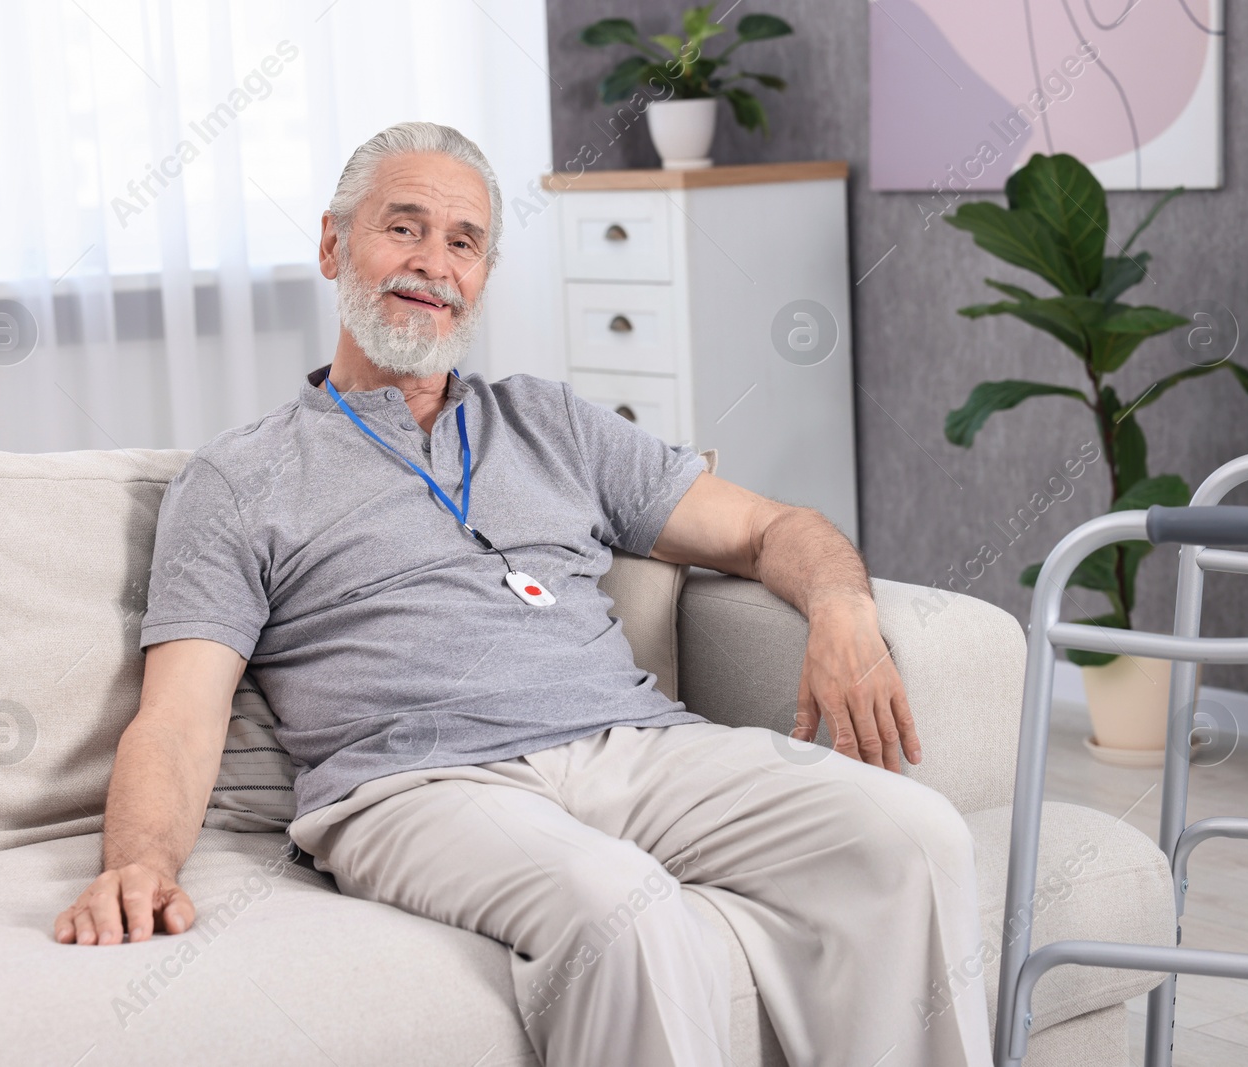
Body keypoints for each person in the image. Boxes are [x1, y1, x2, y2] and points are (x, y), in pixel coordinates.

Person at [54, 121, 992, 1067]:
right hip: (417, 785)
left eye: (463, 243)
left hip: (636, 748)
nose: (432, 263)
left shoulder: (551, 423)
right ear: (335, 245)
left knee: (913, 839)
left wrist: (840, 607)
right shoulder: (240, 476)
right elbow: (177, 717)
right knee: (627, 917)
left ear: (484, 276)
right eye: (403, 227)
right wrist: (137, 864)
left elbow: (768, 528)